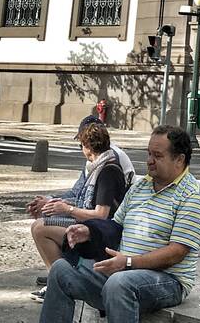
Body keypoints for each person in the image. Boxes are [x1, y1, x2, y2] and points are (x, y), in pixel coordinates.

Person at [9, 126, 200, 323]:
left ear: (180, 160)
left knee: (119, 283)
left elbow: (176, 253)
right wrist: (89, 231)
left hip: (168, 280)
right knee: (61, 271)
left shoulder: (193, 195)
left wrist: (127, 262)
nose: (149, 161)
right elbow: (115, 226)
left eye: (157, 155)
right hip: (125, 269)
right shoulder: (140, 186)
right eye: (148, 154)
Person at [27, 121, 127, 300]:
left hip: (99, 233)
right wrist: (52, 205)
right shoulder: (96, 167)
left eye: (81, 145)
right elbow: (79, 196)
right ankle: (56, 278)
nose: (82, 150)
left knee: (41, 229)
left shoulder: (108, 171)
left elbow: (101, 214)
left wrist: (67, 209)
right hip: (87, 225)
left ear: (88, 146)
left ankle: (58, 283)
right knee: (39, 225)